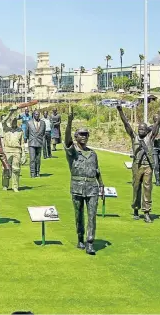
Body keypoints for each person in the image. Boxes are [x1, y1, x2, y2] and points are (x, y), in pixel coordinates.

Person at [117, 102, 160, 223]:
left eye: (142, 129)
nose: (140, 130)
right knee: (136, 187)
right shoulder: (134, 137)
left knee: (148, 188)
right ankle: (135, 209)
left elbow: (157, 123)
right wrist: (120, 111)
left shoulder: (150, 137)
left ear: (146, 130)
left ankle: (147, 212)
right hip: (137, 165)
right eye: (139, 129)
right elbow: (126, 123)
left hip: (148, 165)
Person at [64, 108, 104, 255]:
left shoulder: (93, 154)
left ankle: (90, 242)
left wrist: (102, 185)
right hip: (77, 187)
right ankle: (80, 238)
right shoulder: (72, 151)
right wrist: (69, 122)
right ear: (76, 136)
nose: (84, 137)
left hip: (92, 187)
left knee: (92, 215)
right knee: (79, 215)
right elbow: (67, 140)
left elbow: (97, 170)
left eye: (86, 134)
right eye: (81, 134)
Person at [1, 107, 25, 192]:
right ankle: (5, 185)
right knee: (6, 169)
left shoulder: (20, 130)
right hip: (7, 150)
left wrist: (24, 155)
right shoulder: (6, 129)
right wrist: (11, 112)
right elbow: (3, 121)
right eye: (12, 121)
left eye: (15, 121)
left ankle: (15, 186)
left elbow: (22, 143)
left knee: (16, 169)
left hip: (17, 151)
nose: (13, 122)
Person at [24, 110, 45, 178]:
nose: (37, 115)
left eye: (38, 114)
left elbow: (43, 132)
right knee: (32, 159)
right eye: (36, 114)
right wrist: (27, 140)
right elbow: (26, 133)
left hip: (39, 142)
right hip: (32, 143)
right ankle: (32, 173)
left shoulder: (43, 123)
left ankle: (37, 172)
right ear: (33, 115)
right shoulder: (29, 122)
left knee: (38, 159)